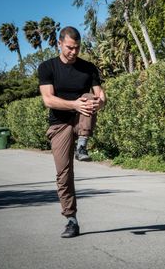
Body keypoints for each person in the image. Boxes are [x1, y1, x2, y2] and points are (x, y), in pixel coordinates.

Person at [38, 26, 106, 238]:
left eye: (77, 48)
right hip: (60, 124)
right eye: (69, 48)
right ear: (59, 43)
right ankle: (71, 219)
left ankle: (83, 144)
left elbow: (101, 96)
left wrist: (99, 104)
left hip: (82, 118)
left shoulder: (88, 68)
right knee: (64, 173)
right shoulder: (47, 67)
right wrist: (74, 105)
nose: (73, 52)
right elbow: (48, 99)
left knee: (89, 97)